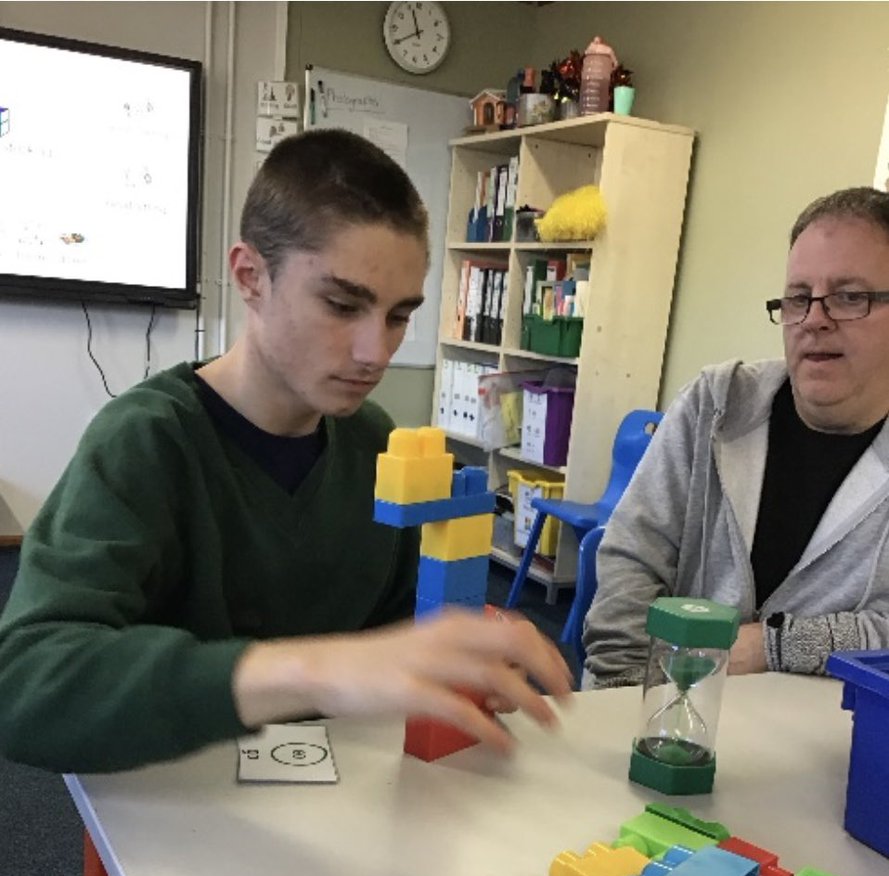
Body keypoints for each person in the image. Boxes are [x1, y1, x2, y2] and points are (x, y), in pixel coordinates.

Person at [0, 130, 571, 772]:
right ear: (251, 277)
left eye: (397, 316)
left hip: (333, 793)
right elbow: (25, 682)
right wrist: (308, 669)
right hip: (173, 803)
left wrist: (468, 645)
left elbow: (403, 627)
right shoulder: (144, 440)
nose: (375, 352)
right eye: (341, 304)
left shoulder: (375, 443)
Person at [583, 185, 889, 688]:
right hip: (663, 713)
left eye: (849, 297)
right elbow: (630, 561)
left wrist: (773, 647)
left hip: (825, 748)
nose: (813, 320)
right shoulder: (717, 405)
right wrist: (626, 700)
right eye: (797, 299)